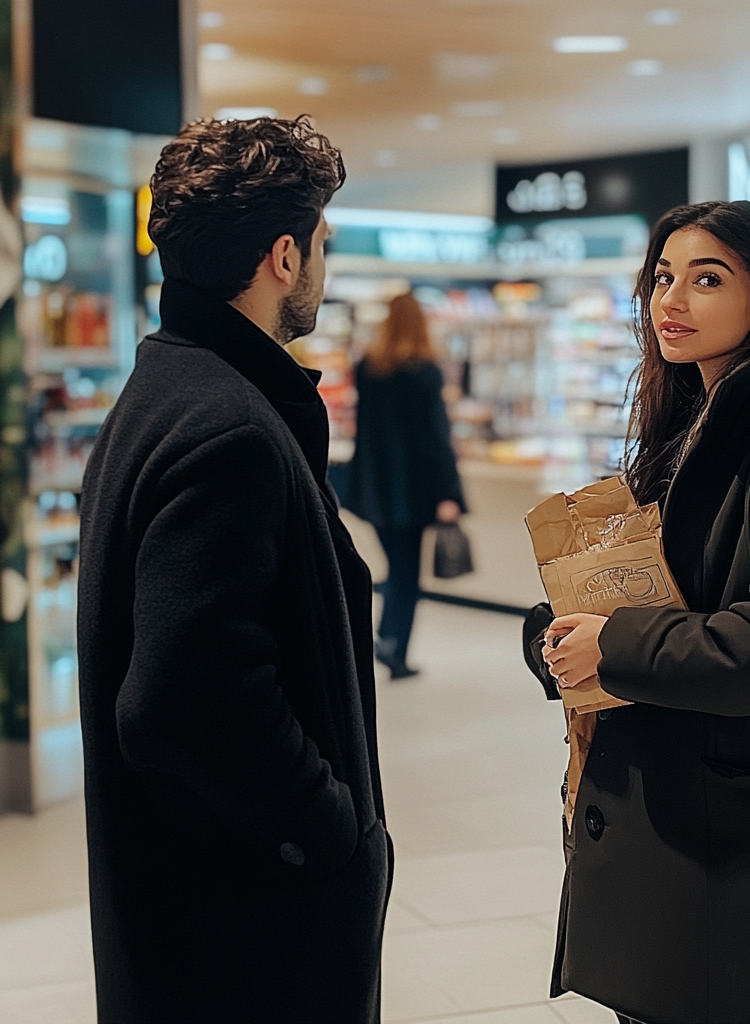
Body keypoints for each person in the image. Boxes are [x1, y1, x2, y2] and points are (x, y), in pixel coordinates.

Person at [77, 116, 390, 1024]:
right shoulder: (230, 429)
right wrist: (327, 831)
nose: (324, 270)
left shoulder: (164, 389)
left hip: (185, 917)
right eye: (322, 245)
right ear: (283, 258)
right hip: (247, 937)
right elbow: (184, 695)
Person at [536, 201, 750, 1024]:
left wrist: (612, 644)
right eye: (662, 278)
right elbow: (657, 593)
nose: (671, 301)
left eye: (706, 279)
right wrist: (557, 633)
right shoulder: (682, 426)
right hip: (670, 825)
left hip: (734, 849)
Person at [346, 291, 466, 679]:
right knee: (406, 575)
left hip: (374, 492)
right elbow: (434, 439)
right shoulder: (424, 371)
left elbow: (363, 433)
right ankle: (394, 649)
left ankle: (385, 638)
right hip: (414, 494)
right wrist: (449, 492)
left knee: (393, 569)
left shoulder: (368, 368)